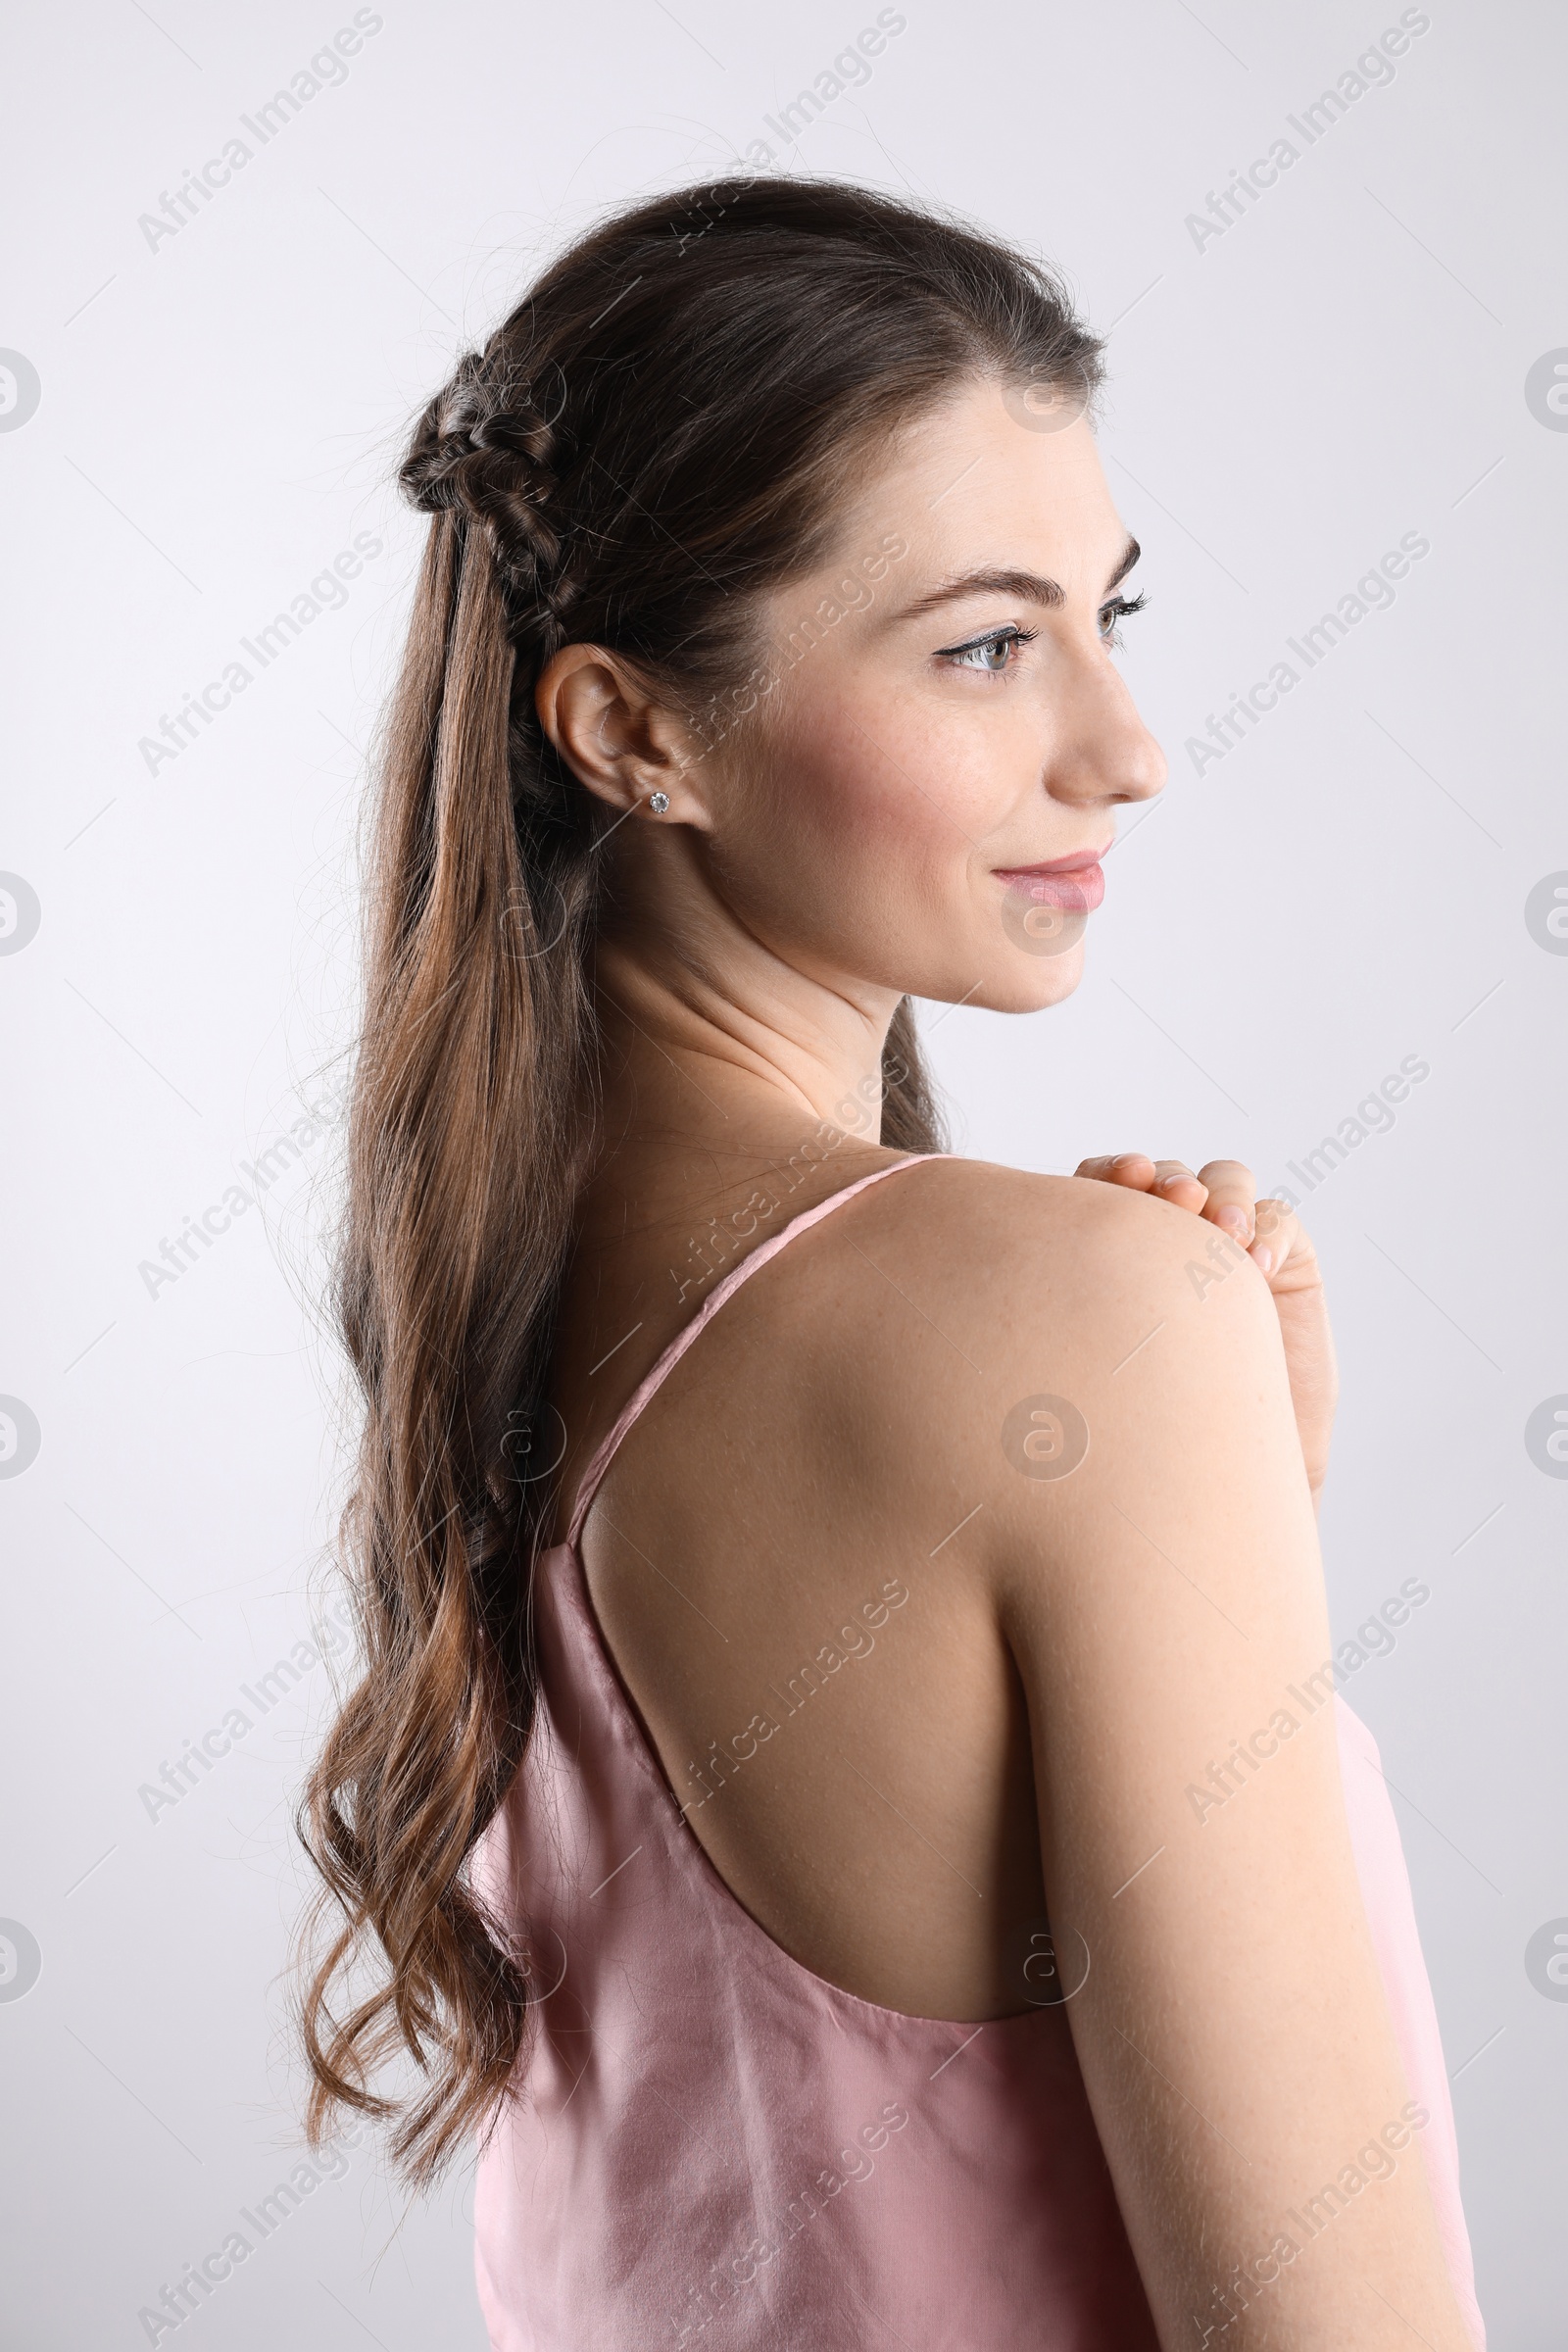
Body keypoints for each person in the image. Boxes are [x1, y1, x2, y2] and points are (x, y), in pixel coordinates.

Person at [298, 176, 1485, 2349]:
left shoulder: (507, 1335)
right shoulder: (1081, 1326)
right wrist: (1157, 1426)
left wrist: (1204, 1547)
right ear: (629, 731)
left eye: (1108, 616)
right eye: (983, 644)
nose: (1119, 749)